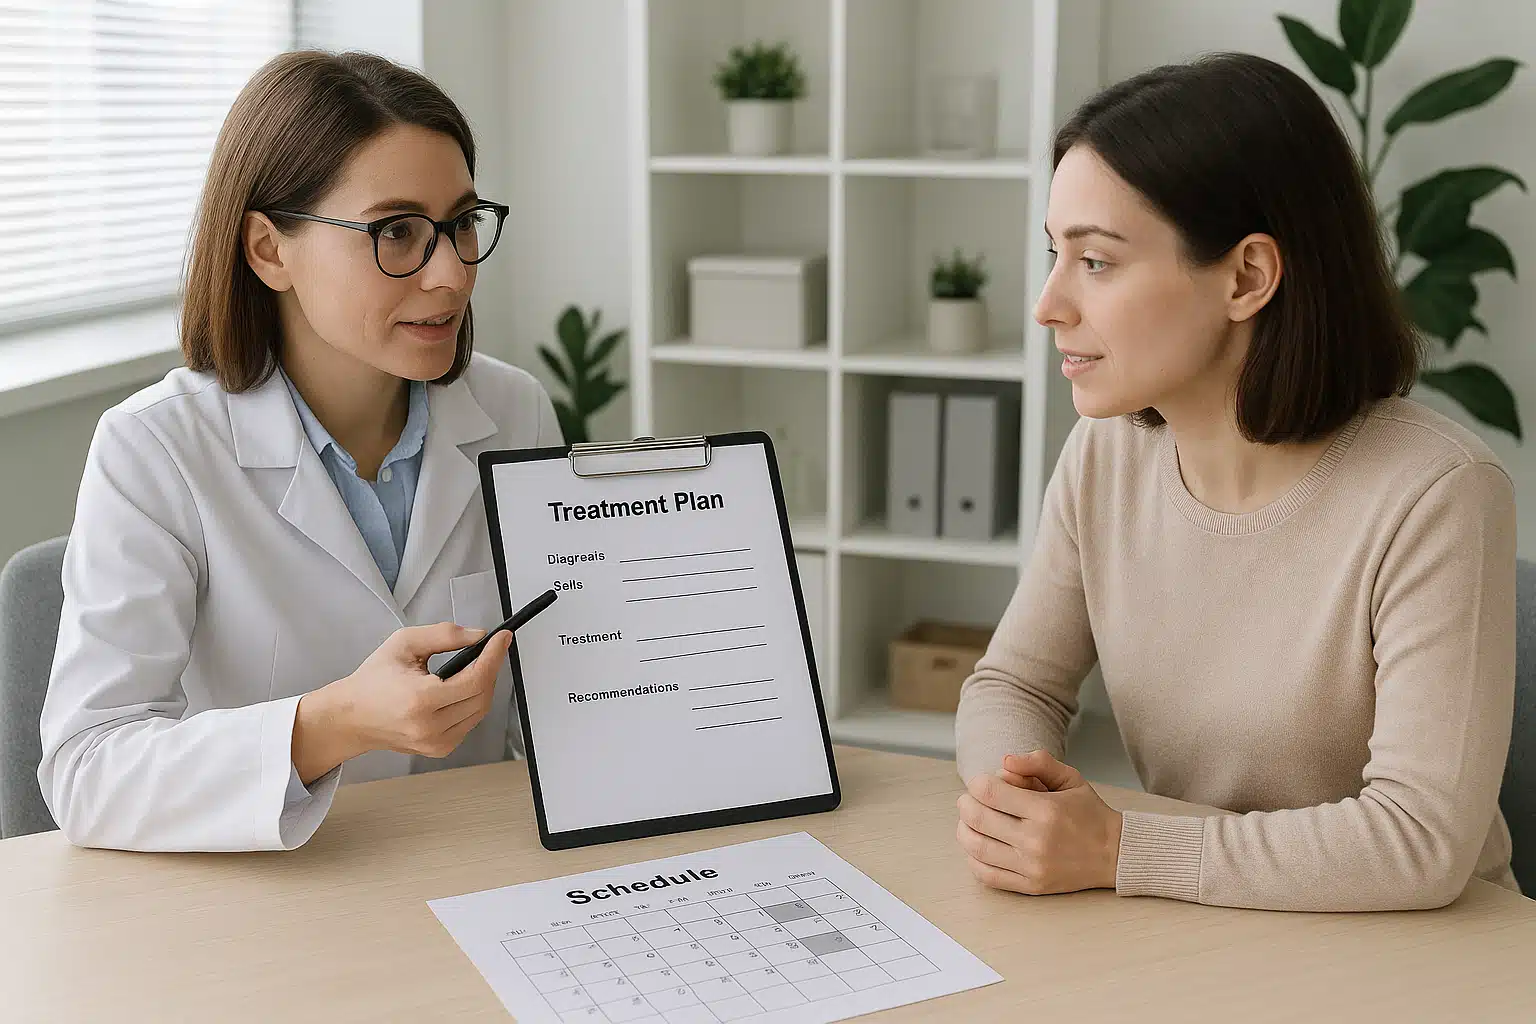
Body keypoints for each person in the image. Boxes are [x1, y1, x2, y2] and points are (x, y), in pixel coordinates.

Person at [953, 52, 1519, 911]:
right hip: (1207, 929)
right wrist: (1023, 805)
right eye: (1052, 254)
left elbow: (1419, 838)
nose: (1048, 303)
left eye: (1096, 261)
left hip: (1423, 960)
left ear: (1247, 276)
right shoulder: (1105, 456)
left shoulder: (1436, 494)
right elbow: (1013, 686)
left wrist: (1118, 848)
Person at [37, 51, 562, 852]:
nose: (452, 274)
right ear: (268, 250)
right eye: (397, 232)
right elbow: (86, 772)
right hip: (274, 900)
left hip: (471, 864)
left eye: (460, 224)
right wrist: (332, 723)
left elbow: (559, 697)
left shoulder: (513, 409)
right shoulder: (154, 449)